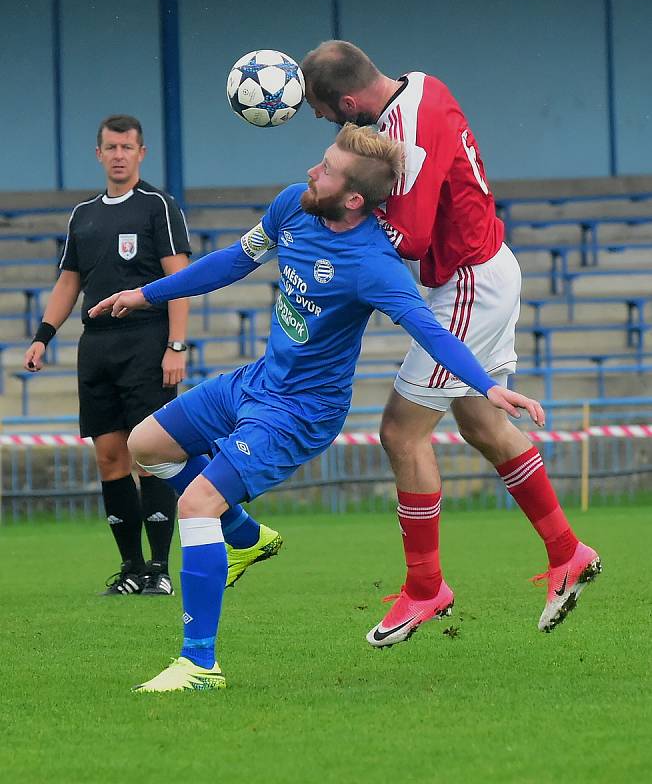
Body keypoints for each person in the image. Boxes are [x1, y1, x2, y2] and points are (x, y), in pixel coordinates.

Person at [88, 124, 544, 692]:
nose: (312, 172)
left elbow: (432, 330)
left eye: (326, 169)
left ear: (354, 198)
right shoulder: (292, 205)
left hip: (302, 410)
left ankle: (199, 664)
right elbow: (235, 259)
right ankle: (245, 537)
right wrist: (147, 293)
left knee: (197, 505)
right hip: (256, 381)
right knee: (144, 446)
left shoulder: (374, 263)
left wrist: (486, 386)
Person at [300, 41, 601, 643]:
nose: (326, 122)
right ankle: (568, 552)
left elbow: (409, 237)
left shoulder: (406, 124)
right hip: (482, 266)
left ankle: (424, 588)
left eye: (326, 111)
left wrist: (336, 216)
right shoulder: (421, 86)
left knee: (399, 432)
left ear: (351, 100)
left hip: (466, 281)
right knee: (482, 425)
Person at [23, 114, 191, 596]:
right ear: (98, 154)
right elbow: (69, 281)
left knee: (152, 455)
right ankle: (131, 570)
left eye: (128, 147)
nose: (119, 155)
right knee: (110, 458)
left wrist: (176, 345)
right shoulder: (84, 215)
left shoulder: (158, 206)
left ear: (142, 153)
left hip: (146, 341)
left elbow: (178, 280)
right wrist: (43, 335)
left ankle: (159, 569)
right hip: (95, 347)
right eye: (111, 148)